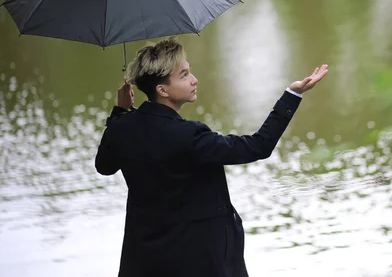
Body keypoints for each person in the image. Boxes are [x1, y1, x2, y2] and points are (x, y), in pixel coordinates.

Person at [94, 37, 328, 277]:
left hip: (145, 260)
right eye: (184, 75)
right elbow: (258, 146)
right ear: (162, 90)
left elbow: (104, 166)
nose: (194, 80)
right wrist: (293, 94)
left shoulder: (122, 127)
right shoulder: (190, 136)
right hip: (199, 260)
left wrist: (120, 112)